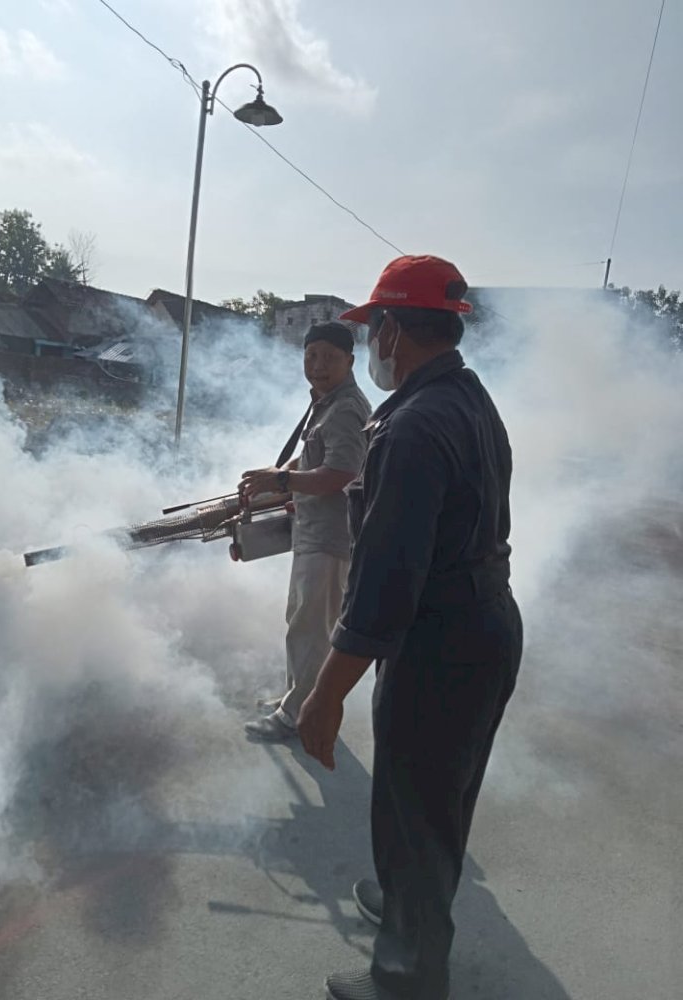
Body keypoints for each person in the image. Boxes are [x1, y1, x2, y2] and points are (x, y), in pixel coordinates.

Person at [297, 255, 523, 1000]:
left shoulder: (414, 427)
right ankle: (405, 905)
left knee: (413, 806)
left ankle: (406, 974)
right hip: (483, 622)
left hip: (443, 640)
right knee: (437, 796)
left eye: (371, 334)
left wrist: (325, 694)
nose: (371, 348)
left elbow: (383, 588)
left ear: (391, 330)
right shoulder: (466, 396)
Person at [239, 320, 371, 742]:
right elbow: (313, 458)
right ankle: (296, 697)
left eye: (330, 358)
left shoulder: (347, 408)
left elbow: (341, 473)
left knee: (313, 627)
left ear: (350, 361)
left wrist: (281, 482)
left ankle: (296, 716)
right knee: (301, 620)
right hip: (313, 531)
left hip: (331, 540)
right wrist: (279, 475)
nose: (318, 365)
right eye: (311, 355)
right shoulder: (326, 402)